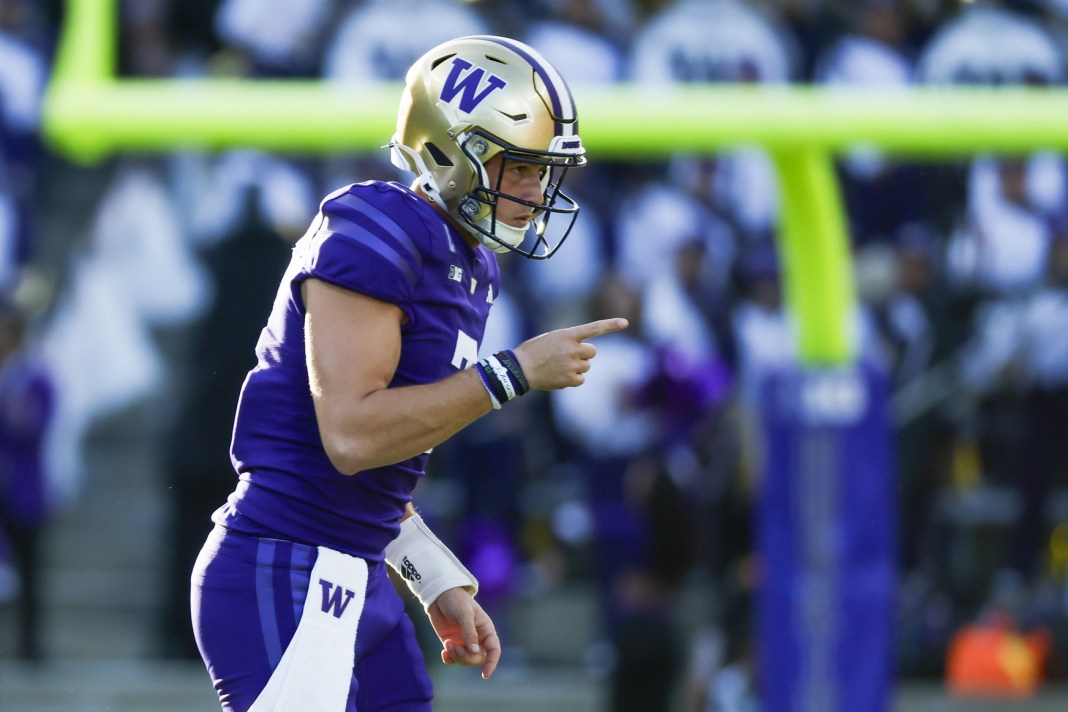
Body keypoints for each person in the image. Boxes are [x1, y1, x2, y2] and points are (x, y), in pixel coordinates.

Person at [189, 35, 627, 712]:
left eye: (544, 172)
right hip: (285, 565)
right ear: (454, 152)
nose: (537, 191)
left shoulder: (470, 261)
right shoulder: (375, 223)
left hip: (355, 572)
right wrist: (510, 375)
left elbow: (377, 470)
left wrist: (432, 578)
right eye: (519, 168)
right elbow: (353, 436)